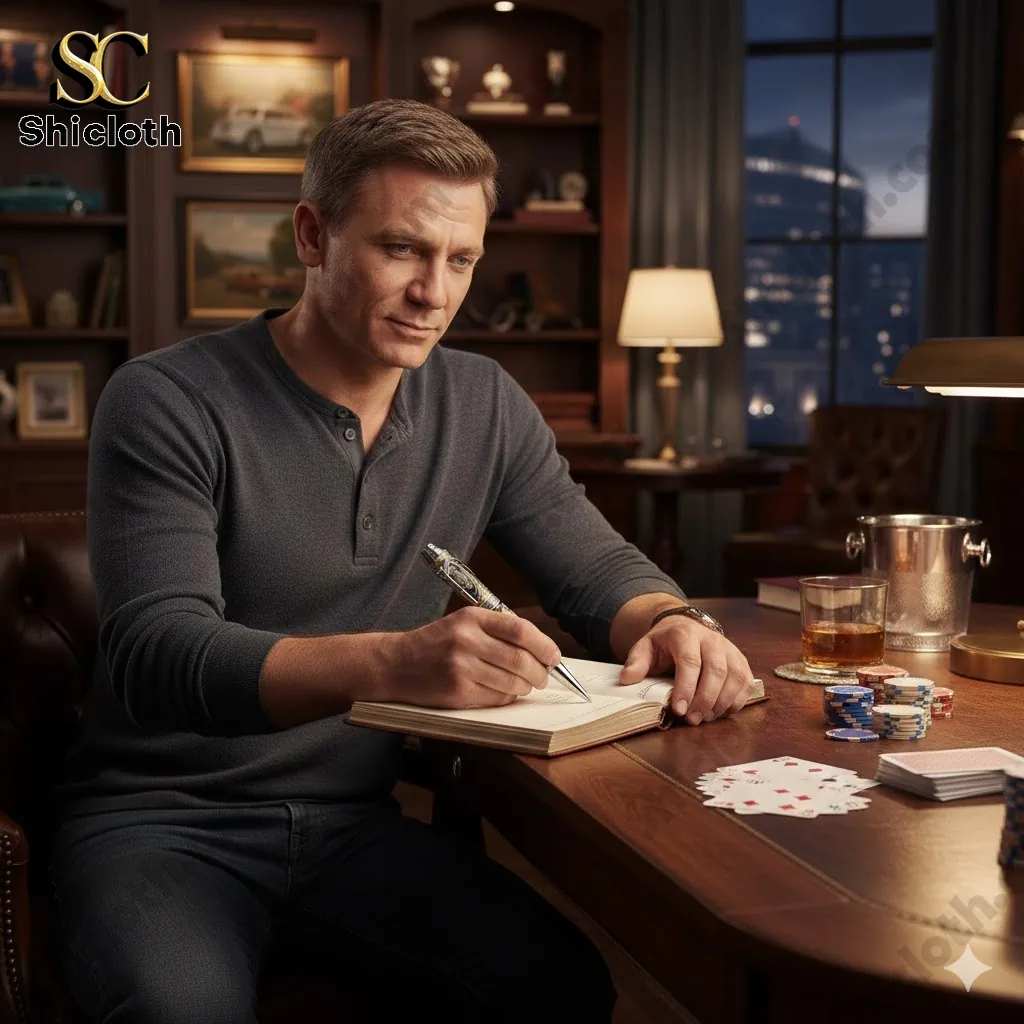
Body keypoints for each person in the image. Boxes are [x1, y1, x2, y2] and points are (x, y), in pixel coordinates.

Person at [47, 98, 758, 1024]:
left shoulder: (484, 401)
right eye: (401, 249)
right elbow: (157, 654)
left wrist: (669, 621)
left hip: (354, 828)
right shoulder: (167, 399)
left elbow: (592, 568)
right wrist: (400, 662)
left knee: (562, 988)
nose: (436, 291)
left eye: (460, 258)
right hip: (161, 826)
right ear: (313, 234)